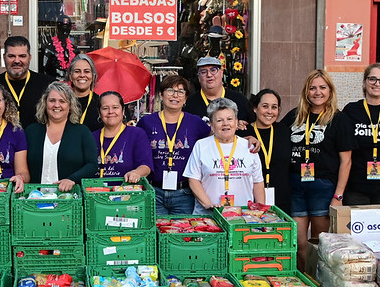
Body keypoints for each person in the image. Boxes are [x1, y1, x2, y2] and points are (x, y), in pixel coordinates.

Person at [280, 70, 354, 271]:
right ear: (306, 91)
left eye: (322, 87)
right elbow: (272, 135)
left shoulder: (339, 120)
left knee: (318, 244)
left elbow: (346, 161)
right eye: (313, 88)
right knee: (299, 244)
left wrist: (338, 195)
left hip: (323, 188)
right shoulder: (294, 116)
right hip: (295, 187)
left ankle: (317, 283)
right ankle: (303, 280)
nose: (317, 92)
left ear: (330, 90)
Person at [137, 75, 211, 214]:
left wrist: (247, 137)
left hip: (184, 193)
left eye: (180, 92)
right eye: (170, 90)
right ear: (161, 94)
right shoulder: (146, 122)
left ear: (185, 98)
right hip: (154, 192)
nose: (175, 95)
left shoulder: (195, 123)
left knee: (183, 234)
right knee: (156, 234)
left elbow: (216, 139)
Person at [184, 98, 264, 214]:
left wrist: (260, 212)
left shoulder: (249, 147)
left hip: (243, 215)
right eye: (219, 120)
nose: (225, 123)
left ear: (236, 122)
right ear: (211, 125)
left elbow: (258, 182)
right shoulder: (201, 146)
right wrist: (208, 204)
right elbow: (193, 179)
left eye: (230, 119)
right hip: (209, 215)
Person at [343, 63, 380, 205]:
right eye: (372, 79)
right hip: (356, 183)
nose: (377, 84)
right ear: (364, 82)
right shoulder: (351, 110)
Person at [25, 81, 98, 191]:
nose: (56, 105)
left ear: (70, 105)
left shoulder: (82, 132)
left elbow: (92, 165)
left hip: (68, 200)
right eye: (52, 100)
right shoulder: (31, 131)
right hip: (34, 199)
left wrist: (72, 179)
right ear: (45, 103)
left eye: (62, 101)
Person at [0, 36, 54, 129]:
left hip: (36, 142)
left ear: (29, 58)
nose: (16, 61)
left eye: (22, 56)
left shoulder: (48, 85)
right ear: (4, 58)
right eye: (11, 56)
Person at [92, 91, 152, 182]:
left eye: (115, 107)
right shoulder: (91, 137)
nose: (110, 112)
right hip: (95, 193)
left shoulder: (137, 134)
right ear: (99, 112)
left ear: (123, 110)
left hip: (127, 192)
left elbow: (146, 166)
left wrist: (136, 173)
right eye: (105, 108)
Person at [248, 88, 292, 214]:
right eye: (265, 106)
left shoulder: (284, 131)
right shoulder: (244, 133)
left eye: (274, 107)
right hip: (251, 200)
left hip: (281, 199)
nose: (269, 111)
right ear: (255, 108)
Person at [184, 56, 251, 129]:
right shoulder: (190, 103)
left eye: (213, 70)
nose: (209, 75)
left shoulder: (239, 100)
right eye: (203, 72)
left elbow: (251, 128)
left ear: (221, 73)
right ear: (199, 77)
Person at [67, 53, 100, 131]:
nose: (82, 75)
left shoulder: (100, 103)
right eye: (77, 71)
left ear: (93, 76)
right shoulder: (62, 102)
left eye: (87, 71)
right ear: (70, 76)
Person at [42, 15, 77, 80]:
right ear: (58, 28)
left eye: (67, 29)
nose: (65, 32)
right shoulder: (50, 48)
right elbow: (44, 69)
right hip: (54, 85)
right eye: (62, 28)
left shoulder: (74, 49)